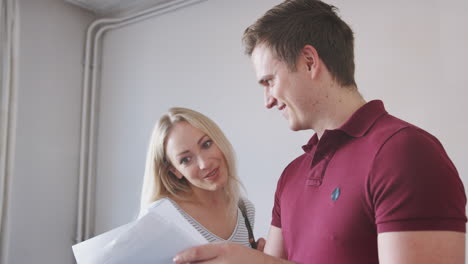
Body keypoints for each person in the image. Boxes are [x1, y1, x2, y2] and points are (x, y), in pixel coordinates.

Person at [173, 0, 467, 263]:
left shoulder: (404, 152)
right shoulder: (291, 176)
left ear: (309, 62)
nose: (268, 101)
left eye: (268, 81)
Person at [139, 107, 260, 249]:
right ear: (175, 171)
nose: (204, 164)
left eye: (206, 144)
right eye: (186, 159)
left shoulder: (245, 210)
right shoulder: (160, 217)